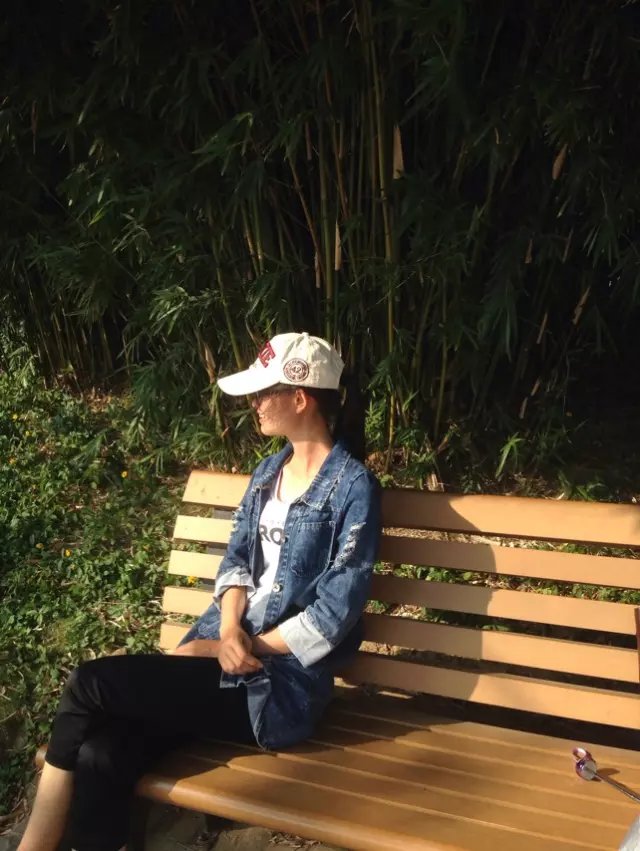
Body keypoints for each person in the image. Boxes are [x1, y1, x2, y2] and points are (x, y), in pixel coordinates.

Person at [18, 331, 381, 851]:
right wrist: (227, 632)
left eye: (264, 392)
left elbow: (334, 613)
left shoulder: (353, 487)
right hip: (220, 658)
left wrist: (239, 647)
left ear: (300, 398)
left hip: (275, 688)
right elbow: (236, 562)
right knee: (103, 753)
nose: (254, 404)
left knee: (89, 684)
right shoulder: (268, 473)